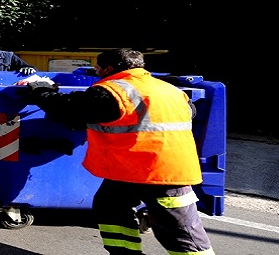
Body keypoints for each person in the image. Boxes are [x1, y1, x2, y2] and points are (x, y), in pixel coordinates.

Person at [24, 48, 214, 255]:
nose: (96, 72)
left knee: (180, 232)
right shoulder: (170, 89)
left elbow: (67, 110)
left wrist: (40, 90)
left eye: (98, 68)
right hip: (133, 168)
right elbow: (189, 113)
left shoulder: (111, 91)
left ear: (108, 69)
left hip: (159, 173)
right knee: (110, 207)